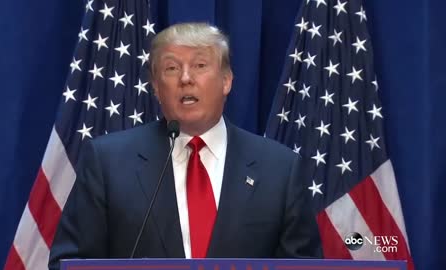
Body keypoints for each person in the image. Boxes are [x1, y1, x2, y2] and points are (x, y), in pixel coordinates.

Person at [49, 22, 322, 270]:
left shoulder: (280, 169)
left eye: (200, 65)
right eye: (171, 68)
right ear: (156, 87)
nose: (186, 78)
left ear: (226, 81)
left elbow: (304, 266)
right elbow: (69, 263)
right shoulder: (107, 162)